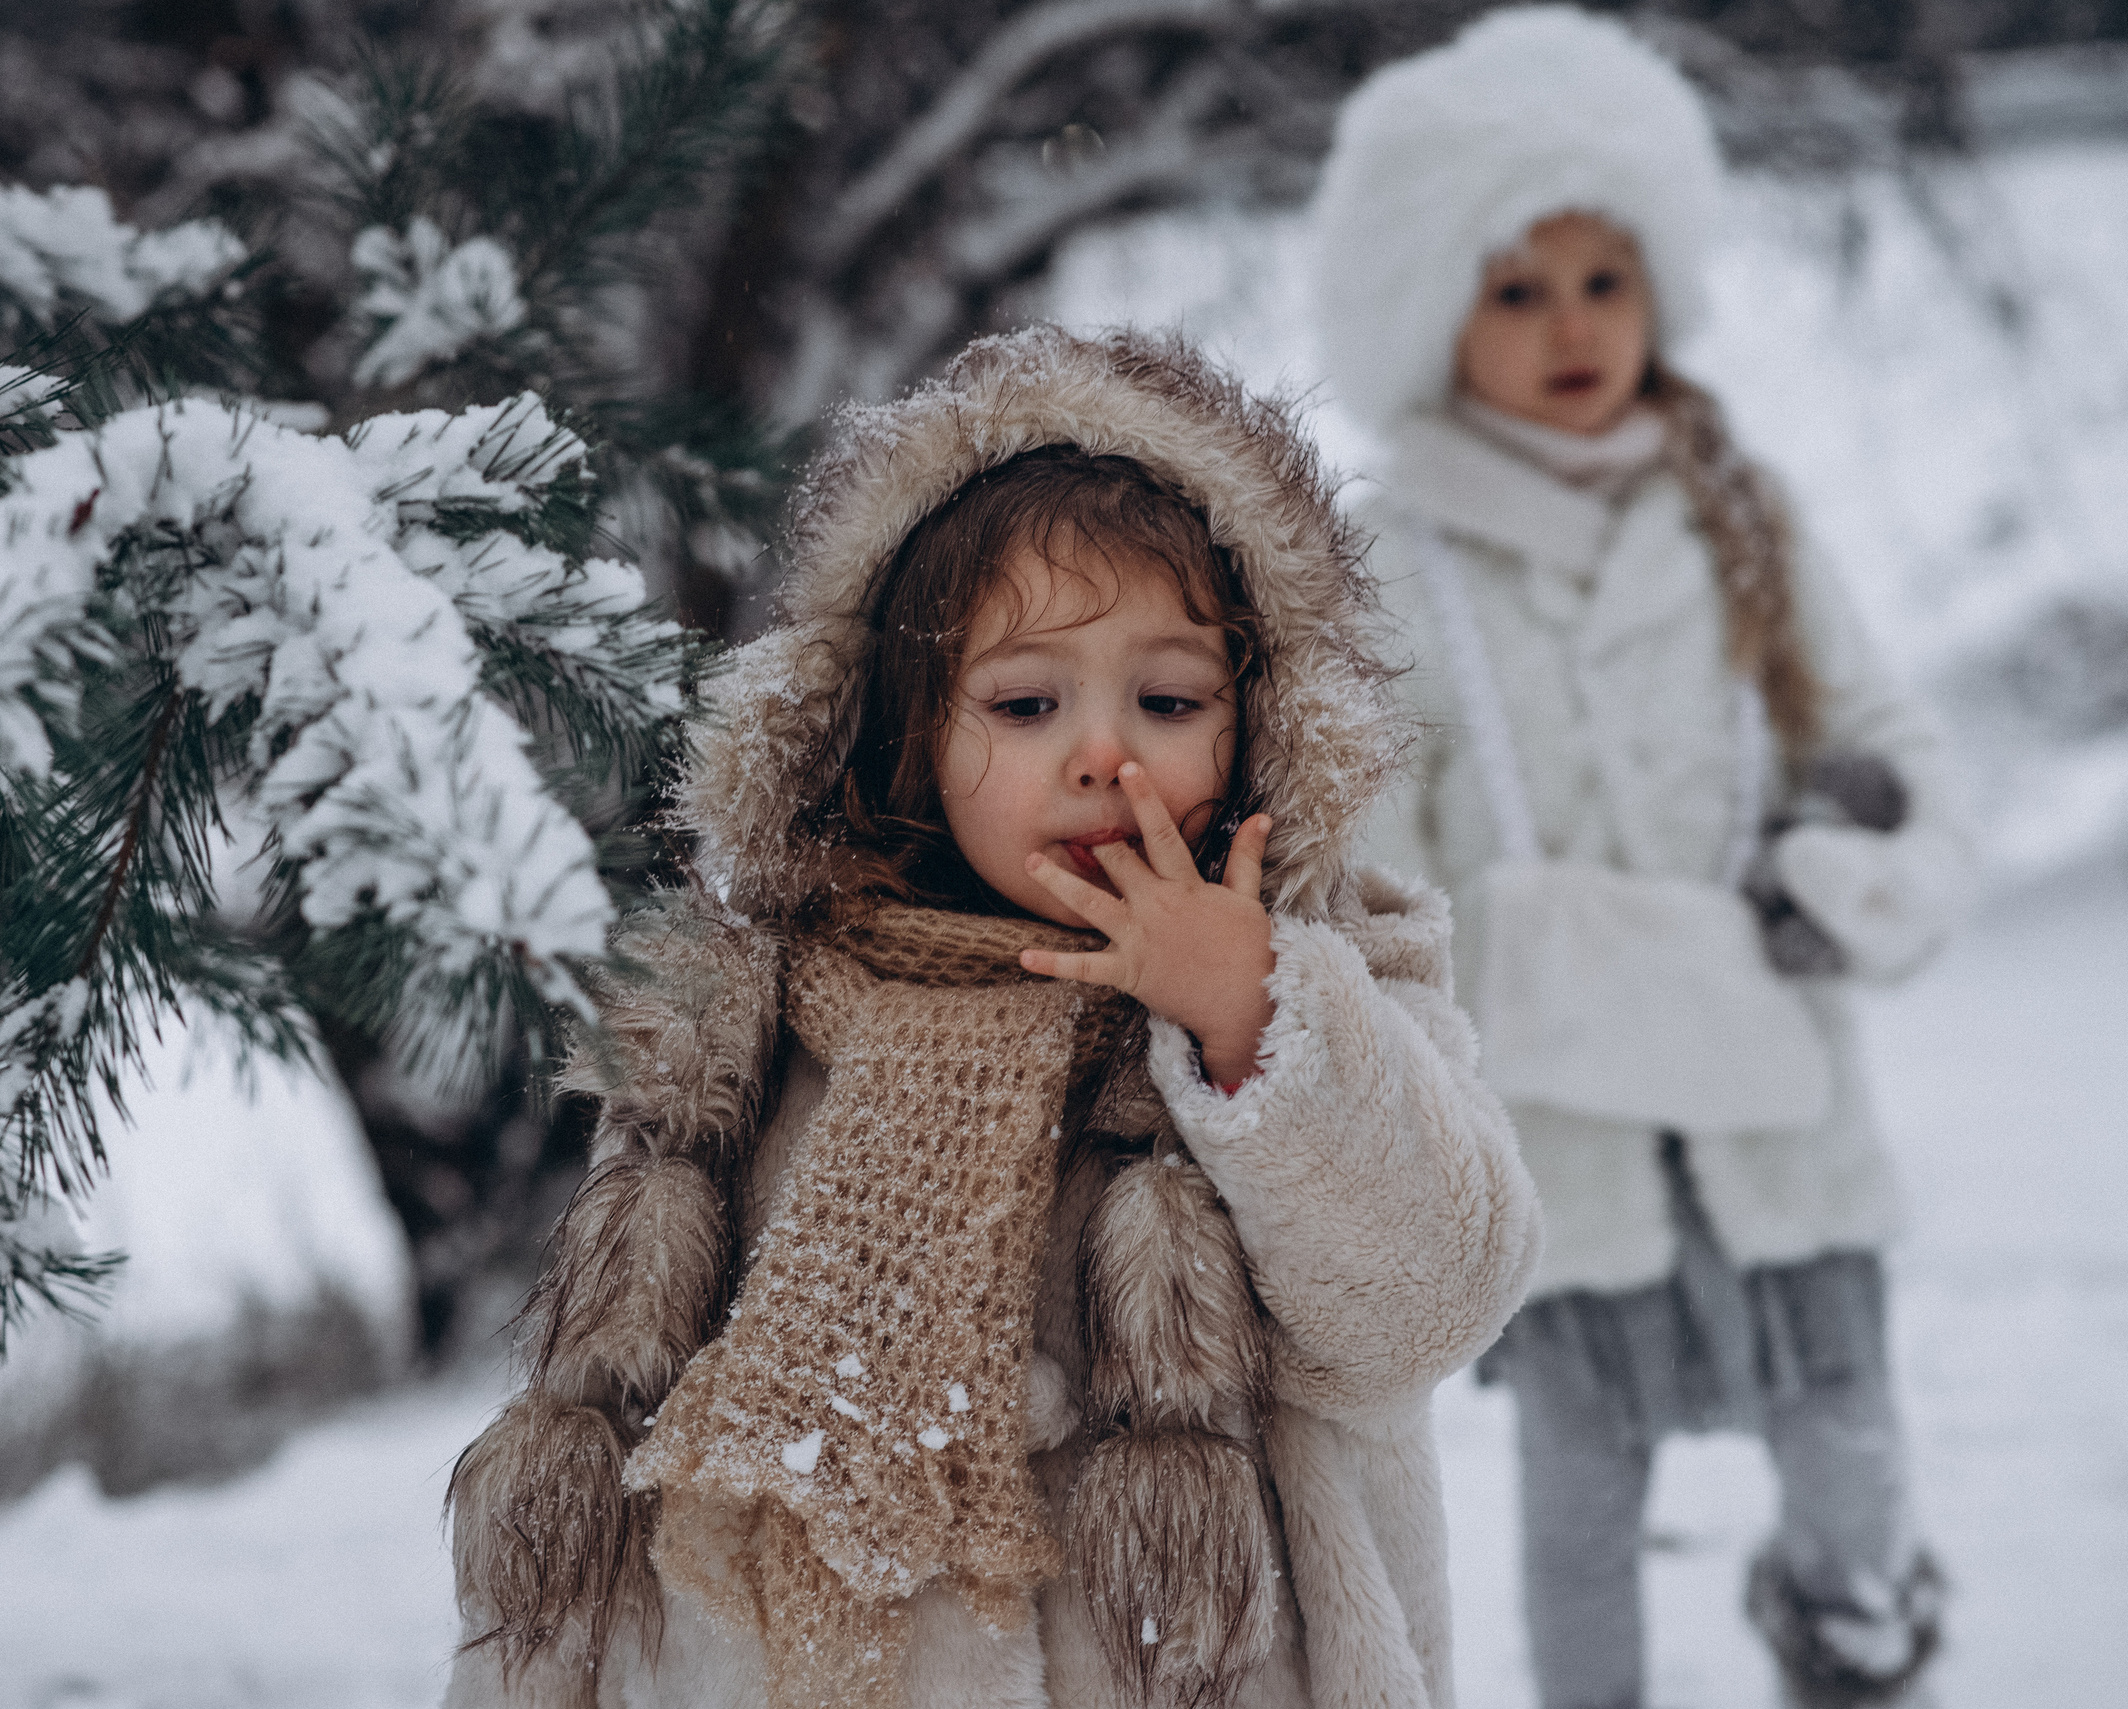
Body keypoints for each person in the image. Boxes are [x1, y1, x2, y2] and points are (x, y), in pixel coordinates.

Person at [440, 325, 1542, 1709]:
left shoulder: (1320, 982)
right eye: (1026, 703)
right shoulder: (747, 1025)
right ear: (903, 730)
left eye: (1170, 699)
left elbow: (1431, 1303)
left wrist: (1251, 1016)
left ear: (1259, 721)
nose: (1104, 752)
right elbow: (598, 1456)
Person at [1312, 12, 1974, 1709]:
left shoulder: (1738, 510)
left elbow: (1890, 748)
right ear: (1430, 307)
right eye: (1517, 289)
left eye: (1604, 281)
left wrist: (1853, 870)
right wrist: (1416, 1054)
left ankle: (1848, 1638)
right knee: (1582, 1500)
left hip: (1775, 1103)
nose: (1572, 327)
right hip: (1561, 1139)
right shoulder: (1392, 566)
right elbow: (1369, 864)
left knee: (1849, 1449)